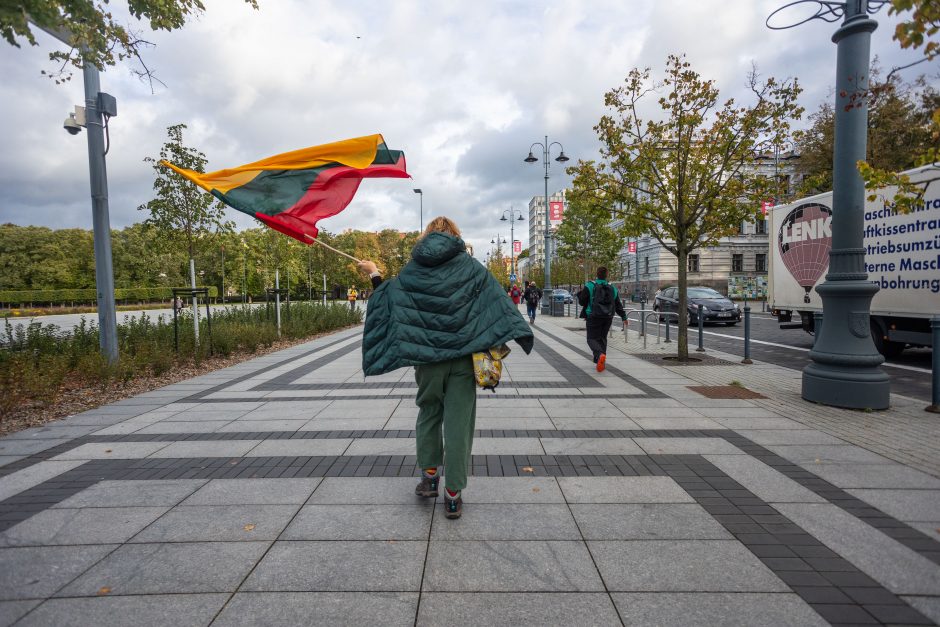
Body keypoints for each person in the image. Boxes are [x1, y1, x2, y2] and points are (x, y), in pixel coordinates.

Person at [358, 217, 533, 519]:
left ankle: (428, 478)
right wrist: (518, 333)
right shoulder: (471, 267)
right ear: (455, 236)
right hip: (463, 362)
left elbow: (391, 300)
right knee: (458, 425)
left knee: (428, 415)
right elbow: (497, 304)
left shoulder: (414, 269)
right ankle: (453, 493)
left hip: (428, 364)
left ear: (426, 237)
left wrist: (374, 273)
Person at [578, 266, 627, 372]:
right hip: (608, 317)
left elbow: (582, 302)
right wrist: (624, 317)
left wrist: (580, 294)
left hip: (593, 316)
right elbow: (617, 304)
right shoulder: (612, 288)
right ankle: (601, 363)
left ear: (597, 274)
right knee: (602, 338)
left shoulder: (590, 286)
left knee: (591, 338)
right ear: (606, 275)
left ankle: (599, 355)